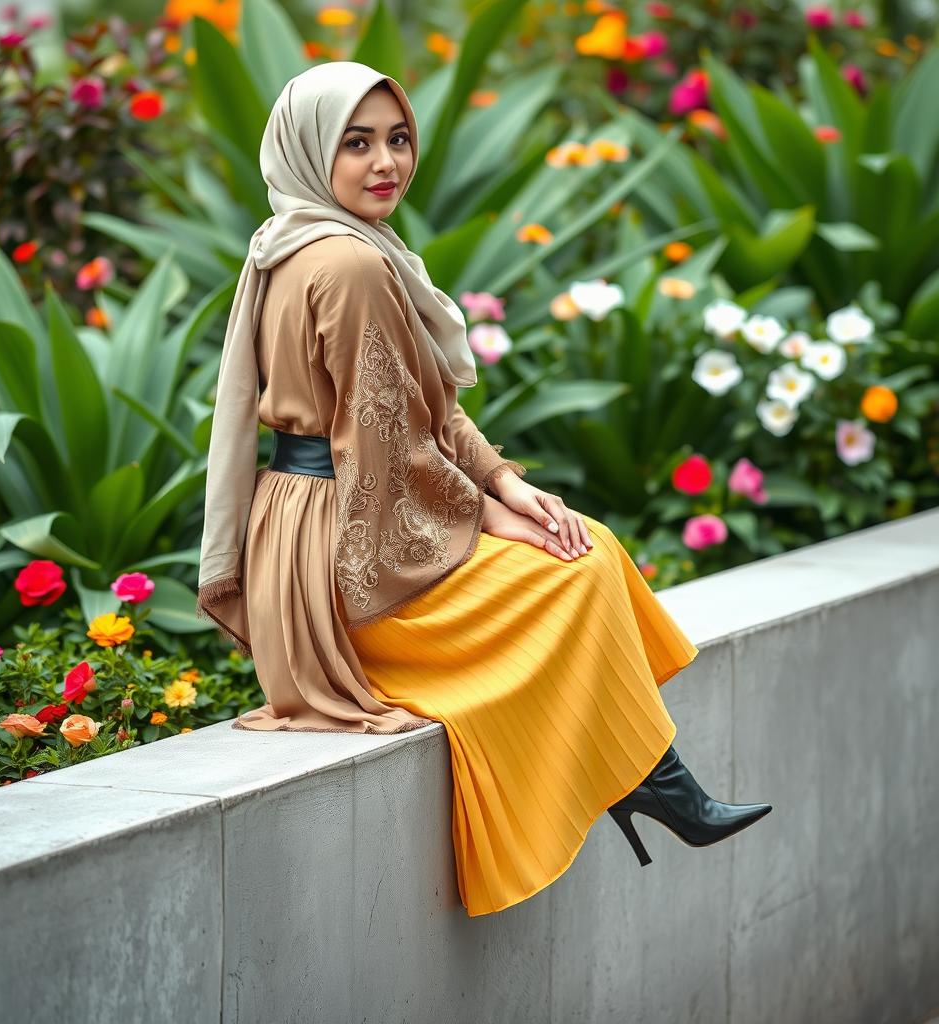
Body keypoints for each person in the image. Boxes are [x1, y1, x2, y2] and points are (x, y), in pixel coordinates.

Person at [195, 61, 772, 917]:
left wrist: (503, 480)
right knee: (573, 572)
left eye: (397, 139)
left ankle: (645, 775)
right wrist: (493, 515)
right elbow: (382, 447)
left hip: (321, 527)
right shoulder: (345, 265)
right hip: (345, 553)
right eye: (356, 144)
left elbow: (424, 410)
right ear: (313, 151)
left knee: (585, 548)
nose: (385, 161)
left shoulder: (302, 240)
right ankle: (648, 778)